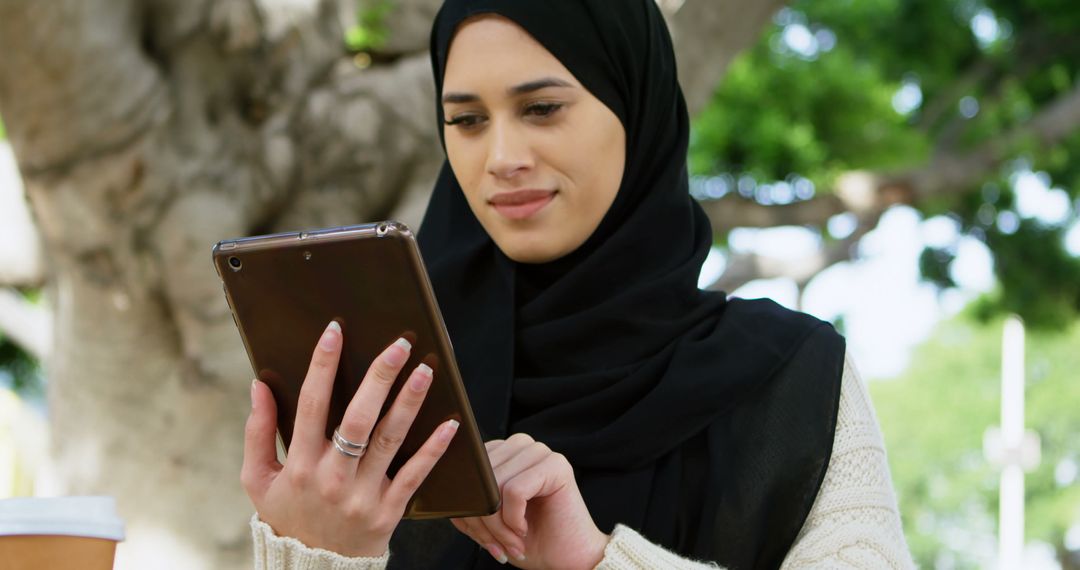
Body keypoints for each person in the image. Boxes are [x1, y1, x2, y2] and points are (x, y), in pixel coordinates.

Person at [241, 1, 915, 568]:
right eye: (468, 120)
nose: (502, 158)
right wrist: (321, 554)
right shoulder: (393, 383)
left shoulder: (789, 379)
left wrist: (596, 560)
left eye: (540, 108)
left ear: (635, 108)